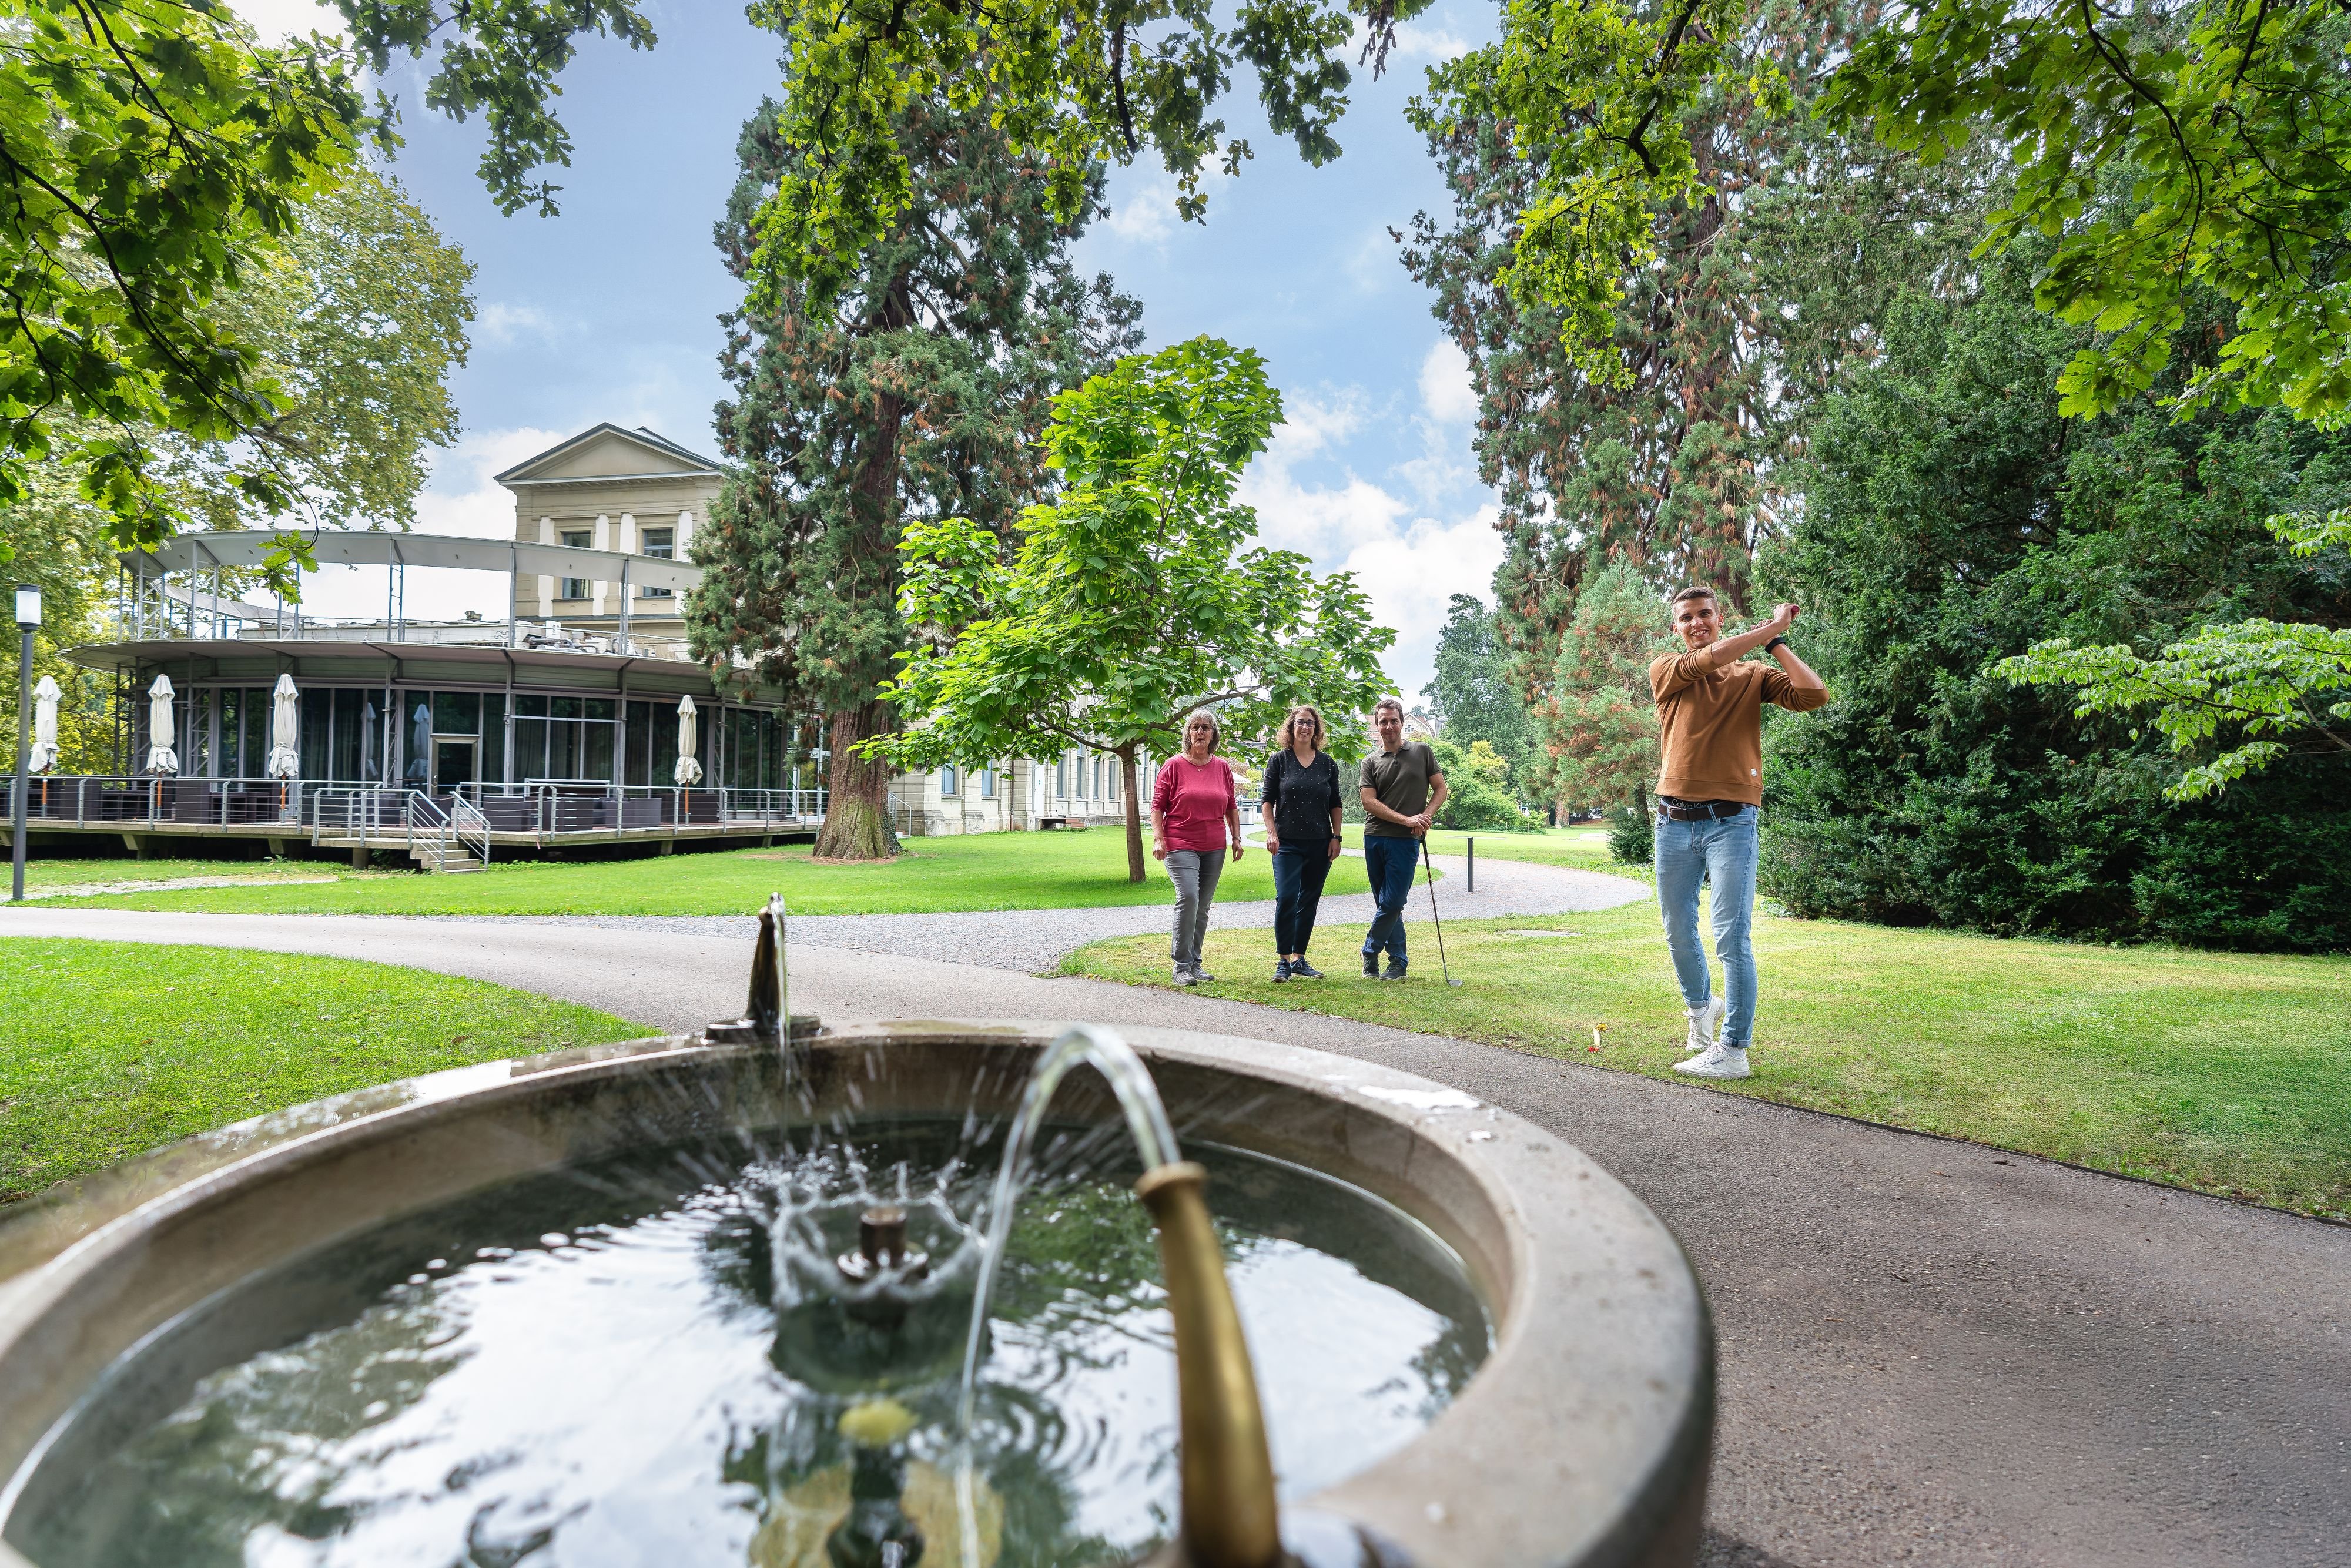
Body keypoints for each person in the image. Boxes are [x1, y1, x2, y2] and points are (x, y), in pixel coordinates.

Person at [1650, 589, 1828, 1080]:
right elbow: (1708, 661)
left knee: (1732, 935)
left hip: (1732, 822)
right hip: (1672, 822)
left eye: (1704, 614)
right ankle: (1702, 1007)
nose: (1696, 623)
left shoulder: (1752, 676)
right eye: (1686, 618)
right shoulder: (1667, 669)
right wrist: (1770, 628)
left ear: (1719, 617)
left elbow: (1813, 695)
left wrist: (1776, 646)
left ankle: (1733, 1049)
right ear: (1677, 629)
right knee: (1678, 930)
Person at [1151, 707, 1243, 986]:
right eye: (1195, 727)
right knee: (1189, 897)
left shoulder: (1223, 768)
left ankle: (1195, 963)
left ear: (1213, 734)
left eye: (1206, 727)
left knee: (1203, 905)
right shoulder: (1174, 765)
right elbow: (1157, 806)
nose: (1200, 731)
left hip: (1214, 845)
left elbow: (1231, 807)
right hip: (1179, 841)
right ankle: (1181, 966)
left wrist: (1236, 838)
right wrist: (1158, 838)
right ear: (1188, 734)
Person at [1357, 696, 1446, 980]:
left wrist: (1425, 816)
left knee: (1393, 902)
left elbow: (1441, 789)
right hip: (1374, 838)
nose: (1389, 726)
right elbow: (1368, 802)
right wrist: (1407, 818)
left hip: (1406, 841)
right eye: (1383, 721)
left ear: (1402, 722)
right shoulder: (1370, 761)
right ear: (1377, 725)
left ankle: (1370, 950)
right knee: (1384, 902)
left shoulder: (1422, 751)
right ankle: (1398, 963)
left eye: (1394, 720)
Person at [1261, 703, 1345, 982]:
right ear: (1291, 727)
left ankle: (1299, 959)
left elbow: (1335, 803)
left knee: (1309, 901)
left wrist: (1336, 836)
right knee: (1286, 898)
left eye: (1310, 723)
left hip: (1320, 843)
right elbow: (1267, 801)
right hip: (1287, 843)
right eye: (1300, 722)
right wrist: (1271, 832)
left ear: (1317, 729)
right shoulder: (1279, 761)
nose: (1305, 727)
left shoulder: (1327, 763)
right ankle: (1283, 961)